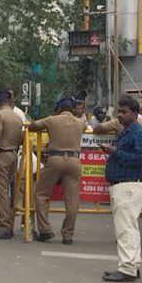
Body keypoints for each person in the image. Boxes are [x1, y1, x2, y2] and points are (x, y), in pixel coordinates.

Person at [101, 96, 142, 282]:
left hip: (130, 184)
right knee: (128, 227)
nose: (120, 115)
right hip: (124, 184)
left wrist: (115, 152)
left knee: (126, 229)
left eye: (124, 112)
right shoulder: (128, 132)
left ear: (135, 113)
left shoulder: (138, 133)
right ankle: (132, 265)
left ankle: (127, 269)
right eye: (119, 112)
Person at [28, 97, 87, 244]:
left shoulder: (51, 120)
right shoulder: (81, 123)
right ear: (73, 109)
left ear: (58, 109)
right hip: (74, 161)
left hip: (55, 160)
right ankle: (68, 235)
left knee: (41, 194)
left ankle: (45, 230)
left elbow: (32, 126)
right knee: (72, 200)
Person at [0, 89, 24, 240]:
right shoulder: (17, 117)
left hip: (2, 154)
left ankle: (4, 227)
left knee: (1, 192)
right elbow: (22, 139)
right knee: (11, 192)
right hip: (13, 155)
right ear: (9, 101)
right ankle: (9, 225)